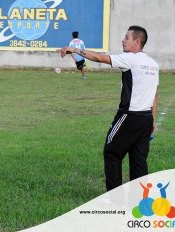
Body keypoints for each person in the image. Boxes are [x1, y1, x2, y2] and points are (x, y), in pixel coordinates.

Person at [59, 25, 159, 191]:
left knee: (112, 153)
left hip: (129, 116)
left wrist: (73, 49)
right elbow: (155, 94)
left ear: (137, 41)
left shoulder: (130, 59)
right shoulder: (153, 64)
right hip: (146, 119)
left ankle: (114, 201)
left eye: (127, 37)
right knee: (139, 161)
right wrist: (152, 120)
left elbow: (99, 58)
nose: (122, 40)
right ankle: (140, 204)